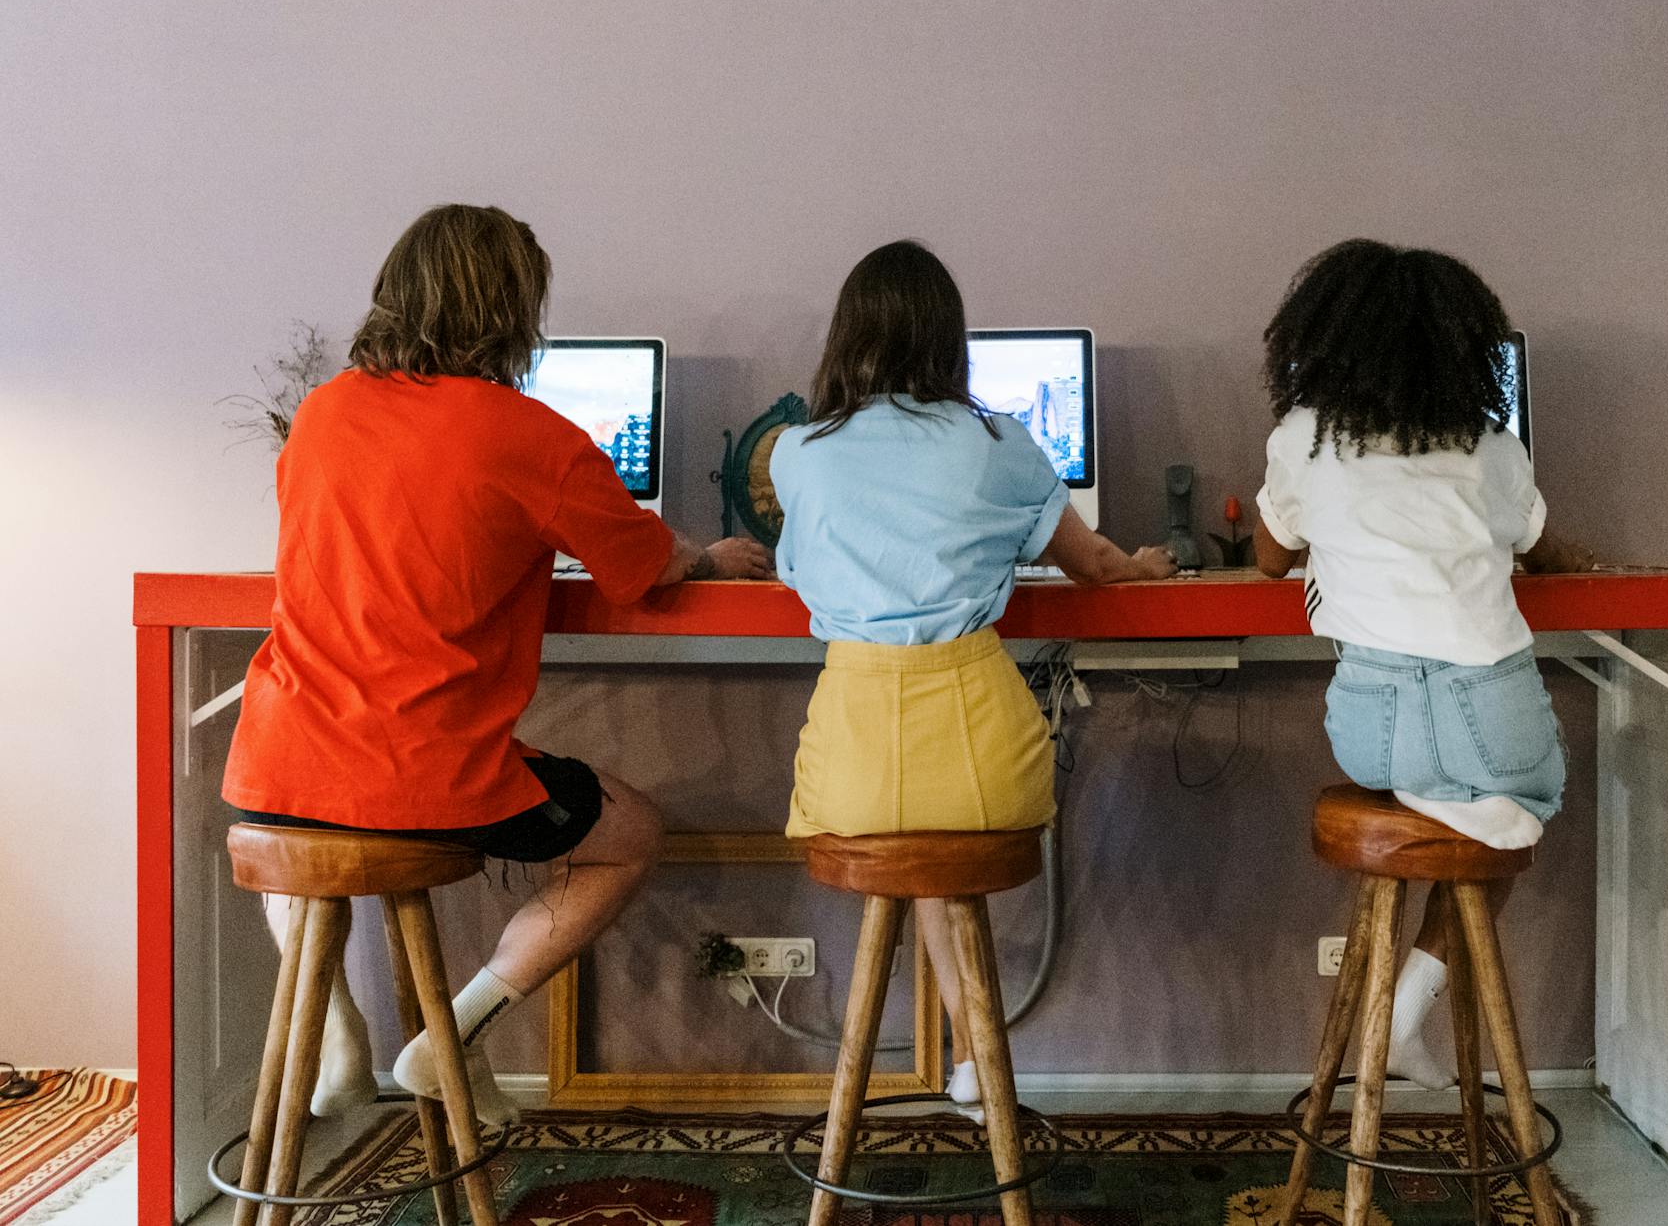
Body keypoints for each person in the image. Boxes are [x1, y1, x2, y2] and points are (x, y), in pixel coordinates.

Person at [222, 204, 772, 1124]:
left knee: (294, 830)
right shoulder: (531, 436)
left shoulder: (318, 417)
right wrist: (708, 557)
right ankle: (449, 1037)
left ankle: (335, 1029)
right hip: (429, 779)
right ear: (514, 313)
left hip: (273, 766)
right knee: (630, 830)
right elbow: (642, 570)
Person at [772, 239, 1176, 1121]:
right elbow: (1098, 567)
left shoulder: (798, 452)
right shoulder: (1002, 443)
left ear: (846, 337)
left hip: (854, 763)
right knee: (944, 840)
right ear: (950, 340)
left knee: (913, 839)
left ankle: (968, 1063)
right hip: (982, 756)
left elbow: (802, 578)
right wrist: (1150, 563)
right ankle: (978, 1064)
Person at [1252, 238, 1592, 1091]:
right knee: (1527, 798)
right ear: (1461, 351)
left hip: (1371, 727)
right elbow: (1546, 553)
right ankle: (1407, 1007)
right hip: (1494, 709)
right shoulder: (1489, 445)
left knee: (1444, 785)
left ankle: (1427, 792)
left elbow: (1265, 557)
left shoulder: (1302, 438)